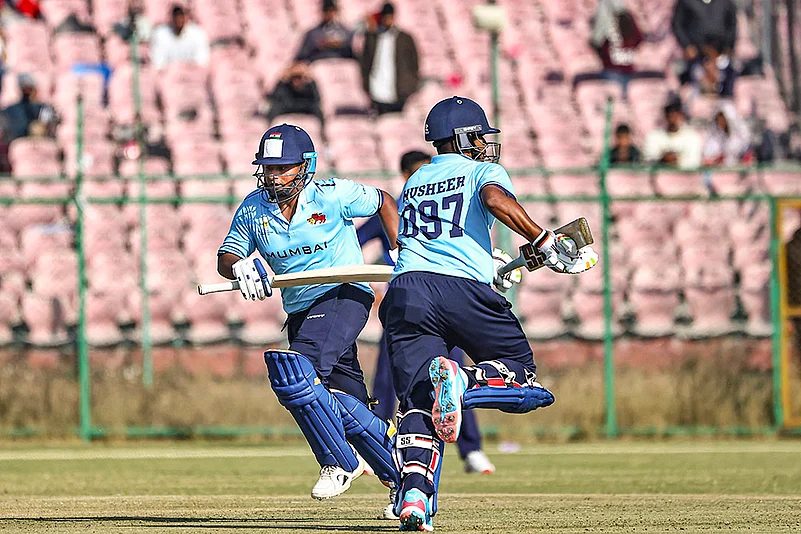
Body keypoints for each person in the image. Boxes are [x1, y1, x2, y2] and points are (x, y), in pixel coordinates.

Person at [379, 97, 598, 531]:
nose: (484, 144)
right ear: (463, 137)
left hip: (406, 291)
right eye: (479, 136)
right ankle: (462, 379)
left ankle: (415, 501)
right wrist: (541, 238)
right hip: (458, 289)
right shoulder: (483, 171)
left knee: (420, 400)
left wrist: (489, 264)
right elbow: (493, 199)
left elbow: (440, 238)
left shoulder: (416, 179)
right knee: (522, 372)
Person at [216, 124, 400, 508]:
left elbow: (383, 199)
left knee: (294, 372)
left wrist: (400, 249)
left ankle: (336, 462)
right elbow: (226, 255)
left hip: (344, 294)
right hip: (300, 309)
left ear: (305, 166)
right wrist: (241, 267)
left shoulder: (333, 195)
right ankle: (407, 480)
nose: (273, 175)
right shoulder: (253, 208)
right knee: (343, 403)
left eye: (283, 167)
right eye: (268, 167)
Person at [358, 150, 497, 487]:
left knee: (454, 379)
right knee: (387, 380)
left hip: (446, 303)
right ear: (407, 175)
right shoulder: (397, 208)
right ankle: (376, 447)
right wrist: (372, 284)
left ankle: (471, 449)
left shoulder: (452, 206)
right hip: (405, 304)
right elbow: (355, 243)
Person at [360, 2, 420, 115]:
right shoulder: (373, 37)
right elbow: (365, 61)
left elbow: (414, 63)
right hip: (377, 89)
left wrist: (412, 83)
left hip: (400, 89)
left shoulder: (405, 38)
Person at [671, 0, 737, 95]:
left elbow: (731, 24)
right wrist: (687, 45)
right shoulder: (685, 2)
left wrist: (729, 47)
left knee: (726, 85)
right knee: (695, 85)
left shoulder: (725, 2)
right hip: (696, 53)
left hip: (719, 52)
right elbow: (678, 24)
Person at [643, 100, 702, 169]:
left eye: (675, 116)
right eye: (670, 116)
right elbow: (648, 160)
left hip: (685, 177)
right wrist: (662, 159)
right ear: (665, 117)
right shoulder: (653, 136)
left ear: (681, 117)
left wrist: (677, 160)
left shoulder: (692, 137)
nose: (673, 120)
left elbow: (694, 163)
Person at [0, 73, 57, 142]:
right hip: (15, 145)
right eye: (26, 88)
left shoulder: (43, 108)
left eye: (30, 88)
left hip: (40, 145)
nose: (28, 91)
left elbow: (47, 130)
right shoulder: (9, 110)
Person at [150, 4, 209, 70]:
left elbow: (202, 62)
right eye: (176, 15)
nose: (179, 19)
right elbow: (157, 63)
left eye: (182, 15)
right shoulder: (160, 34)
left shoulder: (198, 33)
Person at [702, 101, 752, 166]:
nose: (720, 122)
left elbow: (743, 153)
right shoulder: (715, 136)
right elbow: (709, 152)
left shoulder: (741, 136)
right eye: (718, 119)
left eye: (723, 119)